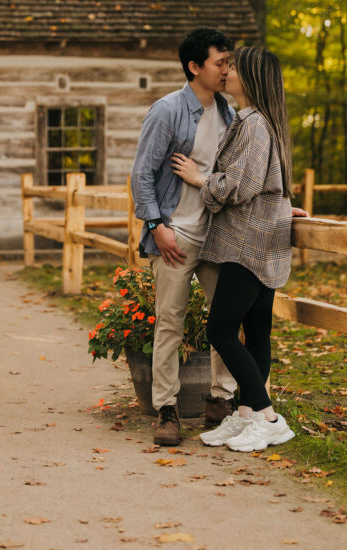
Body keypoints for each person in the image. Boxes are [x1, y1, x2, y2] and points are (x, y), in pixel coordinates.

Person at [171, 45, 304, 452]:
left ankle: (266, 415)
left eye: (234, 67)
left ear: (252, 78)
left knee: (222, 329)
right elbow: (265, 182)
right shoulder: (262, 123)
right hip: (263, 236)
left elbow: (240, 186)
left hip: (245, 242)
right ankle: (246, 414)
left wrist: (199, 179)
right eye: (224, 65)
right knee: (257, 327)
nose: (226, 72)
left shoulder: (254, 125)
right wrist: (281, 203)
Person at [130, 26, 239, 447]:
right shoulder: (167, 111)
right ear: (195, 67)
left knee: (225, 321)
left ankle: (219, 402)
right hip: (176, 235)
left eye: (228, 61)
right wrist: (157, 227)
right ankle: (167, 409)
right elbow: (142, 173)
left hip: (217, 234)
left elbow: (230, 179)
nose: (227, 69)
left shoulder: (230, 114)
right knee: (170, 322)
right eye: (220, 62)